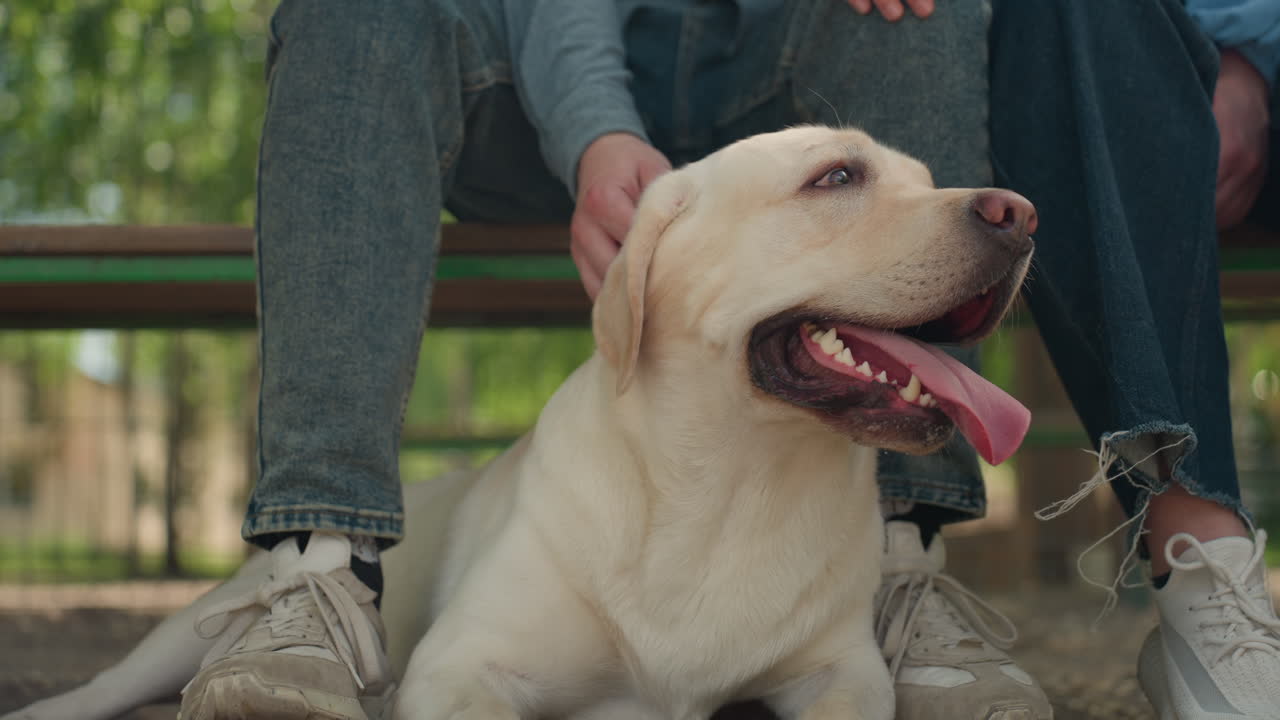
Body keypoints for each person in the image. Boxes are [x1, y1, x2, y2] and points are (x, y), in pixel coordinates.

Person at [177, 1, 1280, 719]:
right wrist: (599, 132)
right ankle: (318, 571)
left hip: (790, 55)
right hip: (532, 70)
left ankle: (898, 561)